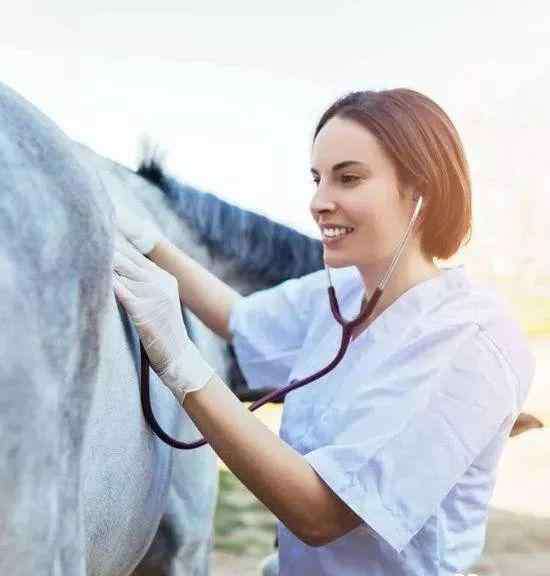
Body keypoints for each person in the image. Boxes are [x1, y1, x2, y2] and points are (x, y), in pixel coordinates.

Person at [112, 88, 535, 575]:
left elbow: (320, 514)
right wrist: (147, 240)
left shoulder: (472, 340)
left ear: (420, 191)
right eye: (317, 179)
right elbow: (239, 320)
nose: (318, 202)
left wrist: (181, 362)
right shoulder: (341, 293)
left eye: (348, 179)